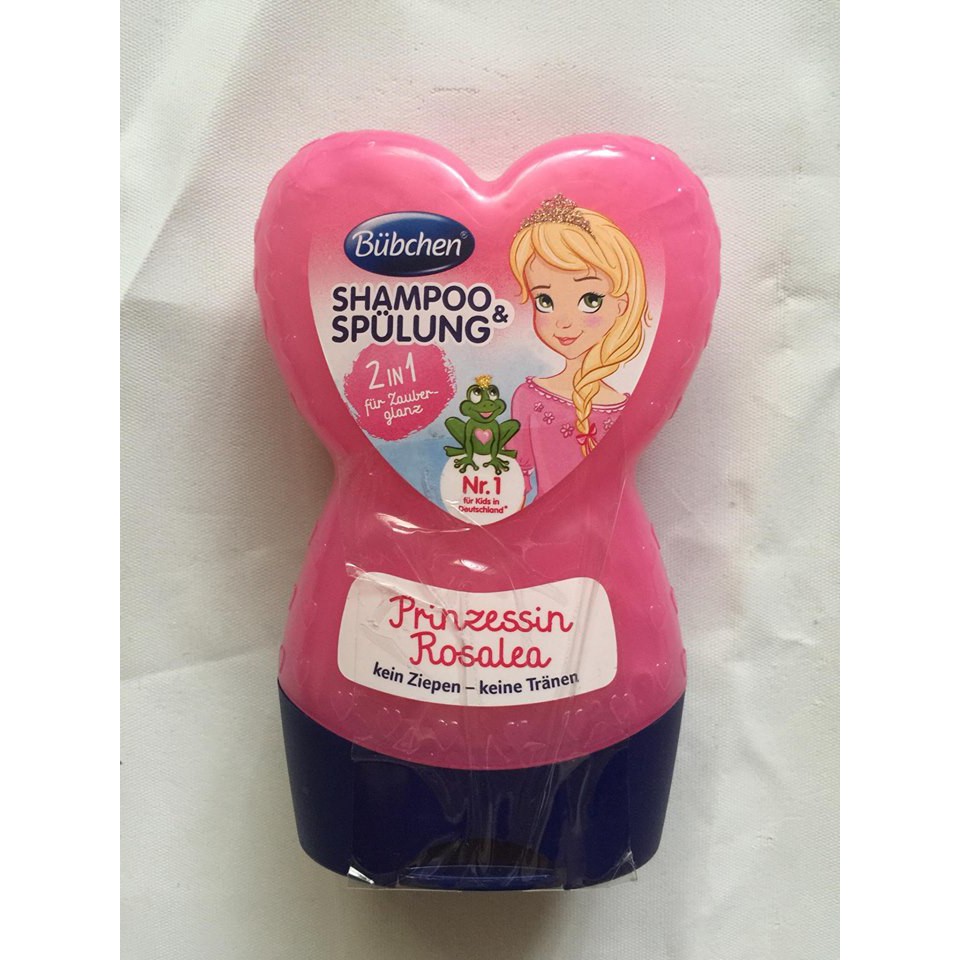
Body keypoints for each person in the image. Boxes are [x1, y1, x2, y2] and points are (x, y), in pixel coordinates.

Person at [508, 194, 652, 499]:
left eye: (590, 300)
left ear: (622, 305)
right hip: (537, 529)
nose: (563, 322)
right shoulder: (528, 398)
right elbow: (513, 486)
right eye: (545, 301)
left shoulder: (624, 408)